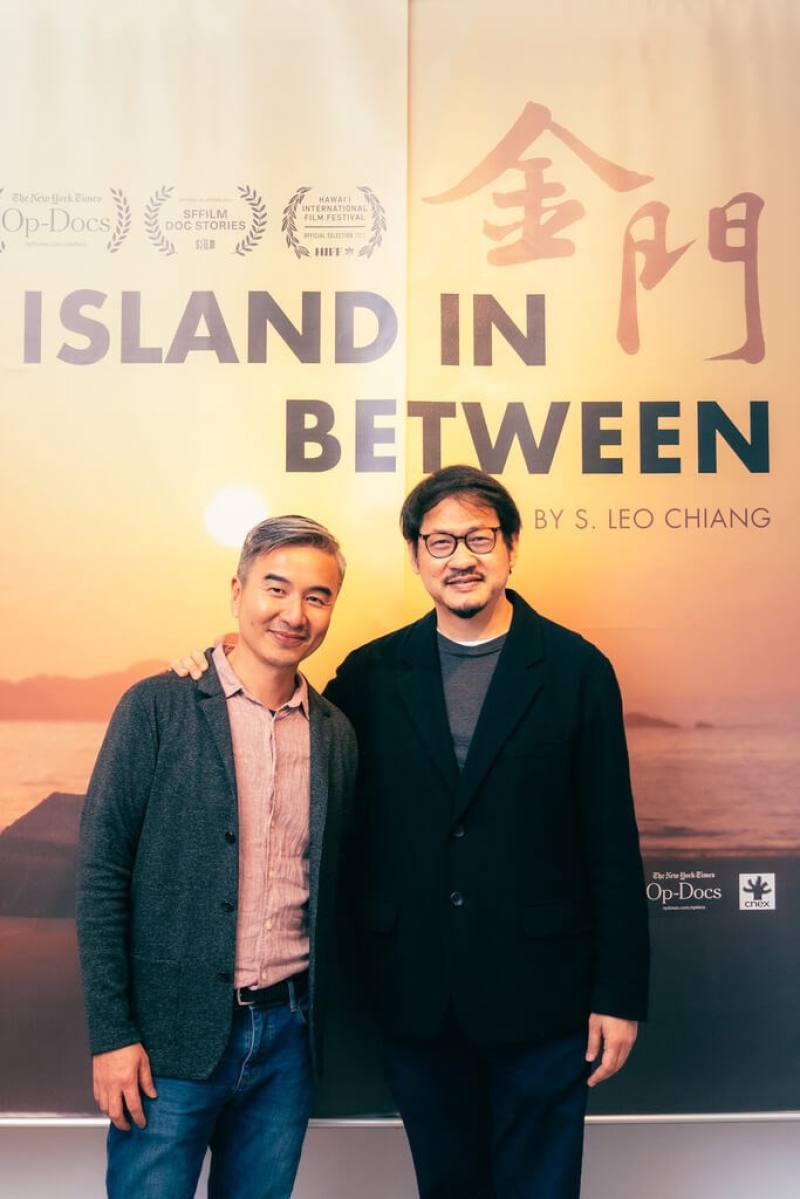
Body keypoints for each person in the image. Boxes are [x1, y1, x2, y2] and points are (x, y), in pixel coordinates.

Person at [176, 466, 649, 1199]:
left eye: (478, 537)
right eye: (438, 541)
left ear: (512, 547)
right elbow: (291, 729)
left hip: (546, 996)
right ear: (416, 556)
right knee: (446, 1184)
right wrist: (211, 664)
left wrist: (620, 994)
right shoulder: (369, 673)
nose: (459, 557)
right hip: (418, 996)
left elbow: (613, 842)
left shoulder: (577, 669)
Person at [76, 515, 357, 1199]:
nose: (294, 613)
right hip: (168, 1044)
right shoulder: (158, 706)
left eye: (316, 597)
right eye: (276, 588)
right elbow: (101, 874)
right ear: (237, 590)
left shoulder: (336, 734)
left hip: (287, 1039)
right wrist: (113, 1034)